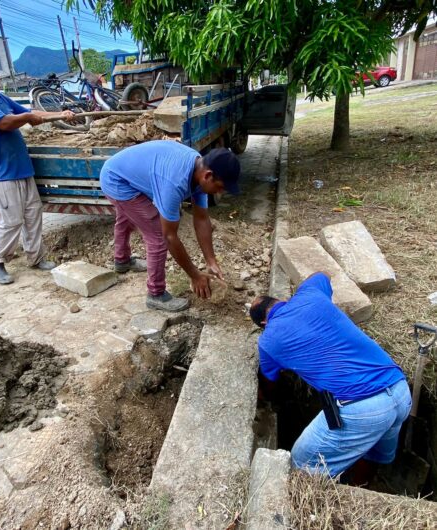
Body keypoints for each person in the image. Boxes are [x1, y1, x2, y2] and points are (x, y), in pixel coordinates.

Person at [249, 271, 411, 480]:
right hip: (400, 390)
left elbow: (270, 382)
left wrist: (266, 398)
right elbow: (321, 275)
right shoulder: (310, 295)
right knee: (374, 453)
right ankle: (366, 484)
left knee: (300, 462)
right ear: (282, 300)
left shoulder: (268, 341)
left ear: (263, 324)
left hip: (361, 409)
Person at [0, 57, 75, 284]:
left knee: (33, 215)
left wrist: (60, 114)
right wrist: (27, 117)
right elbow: (5, 123)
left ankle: (36, 258)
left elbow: (32, 114)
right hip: (0, 172)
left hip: (22, 169)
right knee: (9, 220)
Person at [100, 140, 240, 312]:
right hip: (116, 180)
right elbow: (169, 237)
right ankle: (156, 294)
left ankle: (122, 261)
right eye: (219, 188)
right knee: (157, 235)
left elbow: (202, 219)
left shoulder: (198, 171)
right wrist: (194, 275)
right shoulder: (175, 182)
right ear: (208, 176)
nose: (220, 193)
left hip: (124, 172)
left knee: (127, 217)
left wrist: (210, 260)